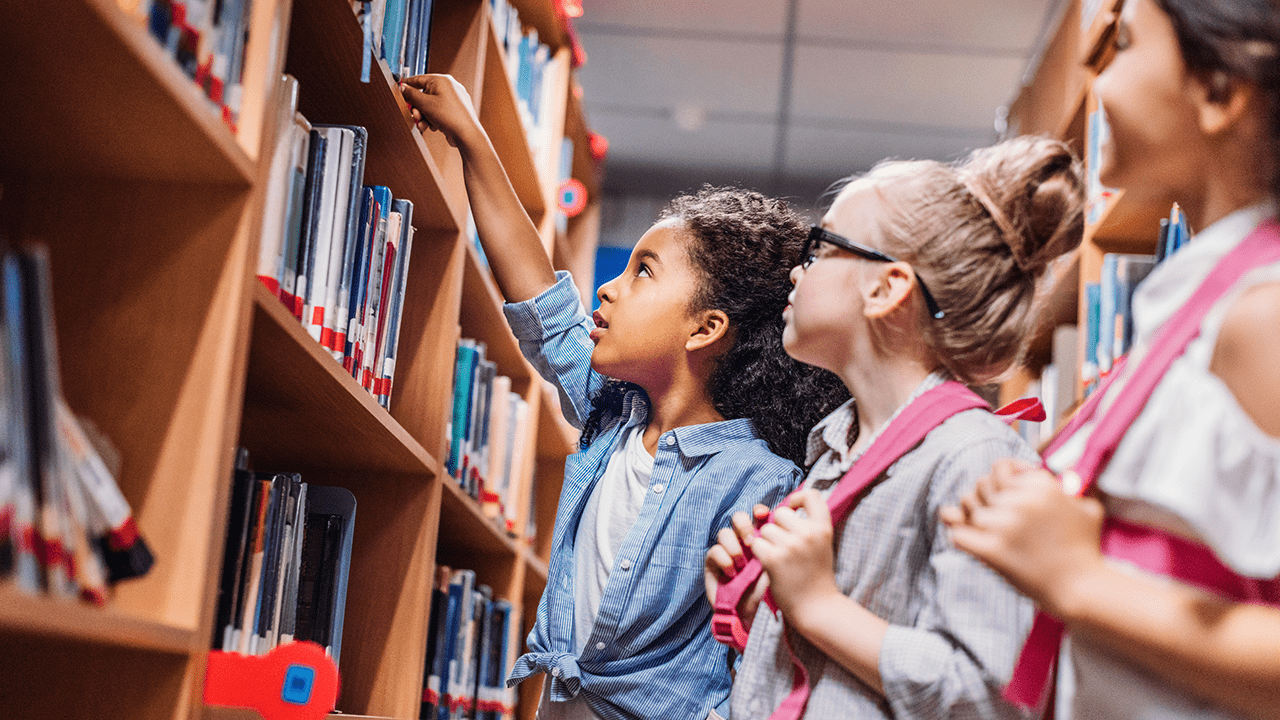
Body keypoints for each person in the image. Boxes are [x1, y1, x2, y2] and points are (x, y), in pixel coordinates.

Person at [400, 74, 850, 720]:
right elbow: (540, 300)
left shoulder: (761, 480)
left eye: (643, 272)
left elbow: (754, 656)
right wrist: (472, 138)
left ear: (706, 328)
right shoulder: (611, 415)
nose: (608, 290)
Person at [940, 1, 1280, 719]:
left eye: (1121, 45)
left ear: (1220, 91)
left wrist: (1079, 579)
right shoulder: (1194, 306)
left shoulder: (1263, 313)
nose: (1103, 80)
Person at [704, 134, 1086, 719]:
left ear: (887, 288)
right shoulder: (837, 448)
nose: (796, 271)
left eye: (820, 246)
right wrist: (765, 606)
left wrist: (816, 605)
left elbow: (989, 699)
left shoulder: (975, 459)